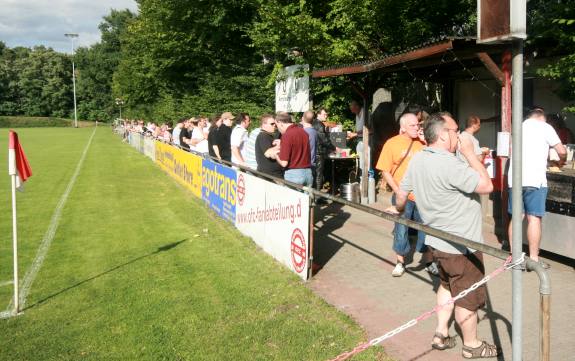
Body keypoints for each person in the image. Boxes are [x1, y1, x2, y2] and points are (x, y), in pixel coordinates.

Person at [393, 112, 497, 359]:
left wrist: (397, 210)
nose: (458, 135)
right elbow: (487, 186)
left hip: (435, 242)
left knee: (447, 286)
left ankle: (441, 333)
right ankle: (471, 345)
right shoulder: (449, 164)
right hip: (461, 247)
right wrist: (471, 154)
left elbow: (401, 195)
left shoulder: (418, 159)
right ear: (442, 135)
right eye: (454, 131)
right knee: (467, 297)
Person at [376, 112, 436, 277]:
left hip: (423, 196)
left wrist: (426, 141)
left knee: (427, 229)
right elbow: (385, 170)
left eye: (418, 125)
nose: (417, 128)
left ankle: (429, 261)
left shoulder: (423, 143)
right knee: (401, 229)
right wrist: (398, 191)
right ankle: (400, 262)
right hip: (403, 196)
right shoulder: (392, 143)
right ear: (402, 127)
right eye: (412, 125)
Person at [507, 107, 567, 268]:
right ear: (542, 118)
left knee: (516, 217)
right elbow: (561, 151)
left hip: (515, 179)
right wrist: (562, 161)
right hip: (535, 180)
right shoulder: (545, 127)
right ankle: (533, 259)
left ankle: (514, 258)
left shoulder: (518, 127)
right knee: (533, 218)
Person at [275, 112, 313, 186]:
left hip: (294, 175)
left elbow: (284, 163)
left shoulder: (287, 135)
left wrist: (276, 155)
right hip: (308, 173)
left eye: (277, 125)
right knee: (307, 197)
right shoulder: (303, 132)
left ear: (280, 123)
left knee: (293, 197)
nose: (277, 129)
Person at [313, 108, 336, 192]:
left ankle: (315, 195)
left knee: (316, 174)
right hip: (319, 152)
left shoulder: (314, 123)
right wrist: (334, 148)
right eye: (324, 114)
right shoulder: (319, 125)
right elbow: (324, 140)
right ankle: (318, 197)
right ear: (318, 114)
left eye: (326, 114)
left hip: (314, 151)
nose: (326, 116)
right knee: (319, 175)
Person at [348, 100, 367, 169]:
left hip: (366, 141)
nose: (351, 110)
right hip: (359, 140)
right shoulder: (357, 114)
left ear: (357, 106)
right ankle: (361, 176)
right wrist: (352, 134)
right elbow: (359, 129)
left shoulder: (365, 113)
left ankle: (369, 177)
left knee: (366, 161)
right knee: (360, 161)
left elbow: (368, 128)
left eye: (352, 107)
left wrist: (355, 134)